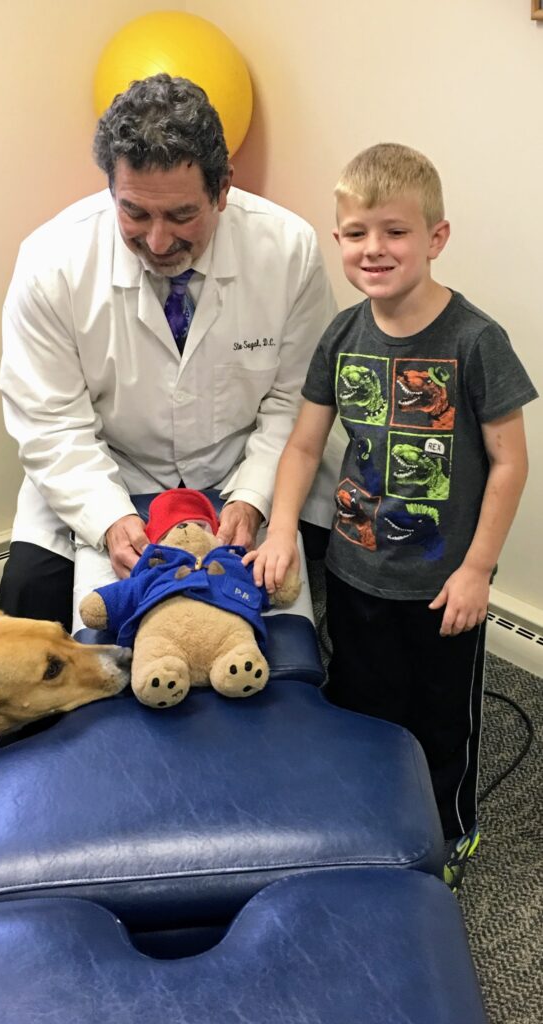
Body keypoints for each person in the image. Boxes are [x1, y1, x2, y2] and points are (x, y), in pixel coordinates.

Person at [245, 142, 537, 891]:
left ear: (434, 238)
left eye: (394, 231)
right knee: (362, 705)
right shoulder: (340, 337)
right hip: (354, 571)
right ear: (338, 239)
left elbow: (510, 462)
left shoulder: (475, 342)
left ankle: (449, 831)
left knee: (441, 720)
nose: (373, 248)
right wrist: (281, 527)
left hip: (446, 587)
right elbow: (304, 445)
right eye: (354, 232)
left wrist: (477, 571)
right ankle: (369, 820)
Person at [0, 73, 341, 632]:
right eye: (135, 213)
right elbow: (50, 423)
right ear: (111, 188)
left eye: (182, 216)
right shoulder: (50, 263)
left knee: (312, 589)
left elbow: (296, 404)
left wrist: (253, 498)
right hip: (110, 464)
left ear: (223, 188)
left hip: (236, 463)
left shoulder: (288, 250)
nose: (158, 242)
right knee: (30, 601)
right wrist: (109, 518)